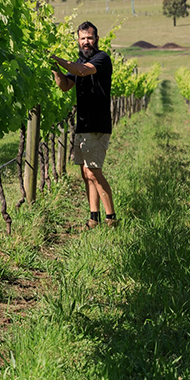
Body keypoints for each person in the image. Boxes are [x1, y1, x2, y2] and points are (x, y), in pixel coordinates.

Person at [51, 22, 118, 229]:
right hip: (82, 124)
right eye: (82, 38)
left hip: (97, 125)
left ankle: (111, 218)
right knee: (85, 173)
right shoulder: (79, 61)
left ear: (96, 39)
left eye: (89, 38)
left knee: (94, 171)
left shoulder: (102, 59)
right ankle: (93, 218)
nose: (86, 42)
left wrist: (56, 58)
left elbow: (81, 71)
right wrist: (53, 68)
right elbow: (65, 85)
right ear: (78, 40)